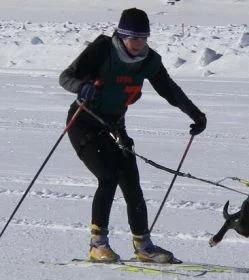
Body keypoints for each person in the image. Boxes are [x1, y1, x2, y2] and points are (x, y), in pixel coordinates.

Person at [59, 7, 206, 263]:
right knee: (107, 177)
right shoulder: (103, 49)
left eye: (143, 38)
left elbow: (170, 90)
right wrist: (82, 87)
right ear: (121, 35)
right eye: (133, 38)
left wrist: (196, 115)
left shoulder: (149, 61)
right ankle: (97, 244)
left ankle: (144, 246)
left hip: (114, 126)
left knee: (131, 181)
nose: (138, 43)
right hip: (84, 122)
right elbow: (66, 77)